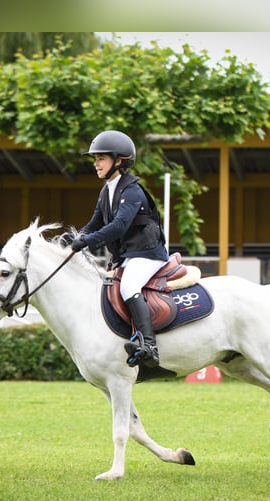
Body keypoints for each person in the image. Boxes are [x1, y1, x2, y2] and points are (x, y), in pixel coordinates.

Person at [71, 130, 168, 369]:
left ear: (119, 160)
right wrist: (74, 236)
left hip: (147, 254)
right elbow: (95, 223)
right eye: (95, 159)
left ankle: (149, 345)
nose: (96, 164)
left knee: (128, 286)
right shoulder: (106, 191)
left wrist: (87, 242)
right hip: (129, 256)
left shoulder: (132, 190)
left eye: (100, 158)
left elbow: (119, 226)